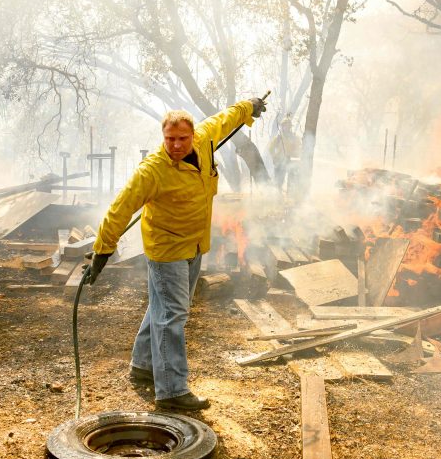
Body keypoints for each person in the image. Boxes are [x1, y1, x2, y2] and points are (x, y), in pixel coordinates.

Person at [82, 97, 266, 410]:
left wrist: (250, 106)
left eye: (182, 139)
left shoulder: (206, 139)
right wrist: (102, 251)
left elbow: (227, 117)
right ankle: (171, 390)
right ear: (163, 137)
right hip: (167, 248)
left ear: (193, 135)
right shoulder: (152, 171)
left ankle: (143, 365)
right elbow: (120, 209)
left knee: (163, 306)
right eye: (170, 139)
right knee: (173, 315)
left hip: (194, 243)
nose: (176, 145)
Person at [267, 116, 301, 194]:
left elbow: (299, 148)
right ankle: (278, 194)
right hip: (279, 160)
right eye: (284, 126)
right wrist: (274, 157)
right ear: (282, 127)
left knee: (292, 179)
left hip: (291, 160)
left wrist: (295, 155)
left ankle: (290, 193)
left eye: (288, 126)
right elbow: (271, 148)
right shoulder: (278, 138)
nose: (286, 128)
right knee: (279, 179)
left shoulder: (295, 137)